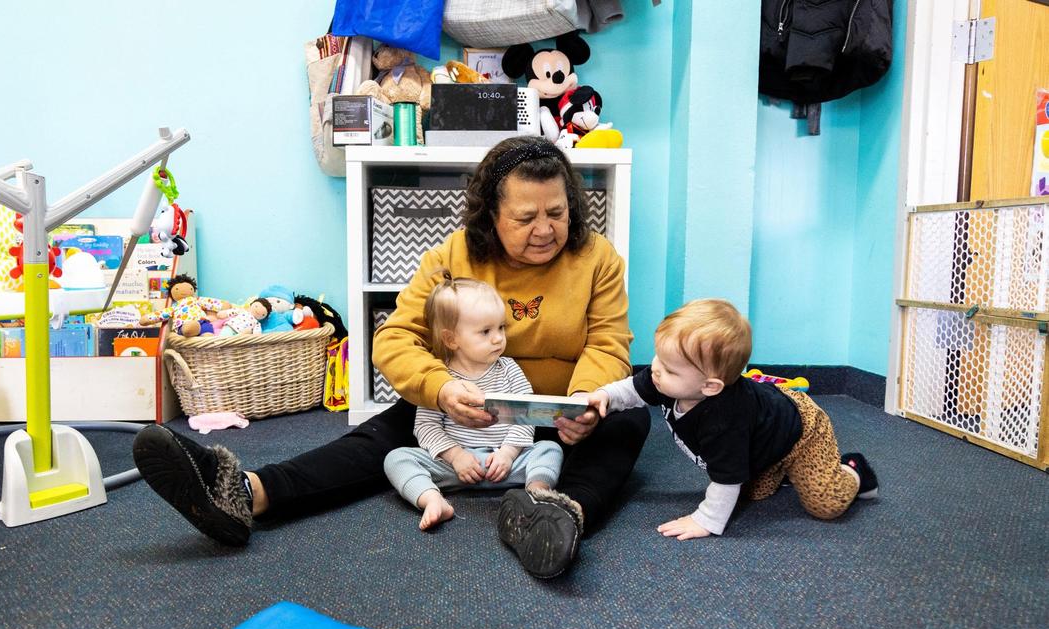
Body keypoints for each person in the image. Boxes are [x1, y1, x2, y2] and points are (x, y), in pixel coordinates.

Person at [132, 136, 651, 579]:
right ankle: (247, 493)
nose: (545, 229)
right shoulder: (454, 255)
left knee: (627, 421)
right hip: (465, 412)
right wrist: (441, 389)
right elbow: (397, 338)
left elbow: (607, 342)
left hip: (557, 416)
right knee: (382, 433)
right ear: (492, 217)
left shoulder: (596, 257)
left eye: (557, 213)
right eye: (525, 217)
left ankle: (558, 515)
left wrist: (582, 402)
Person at [585, 299, 879, 540]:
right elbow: (632, 390)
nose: (655, 370)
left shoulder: (723, 420)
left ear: (710, 386)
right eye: (657, 357)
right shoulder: (665, 378)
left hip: (802, 429)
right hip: (764, 431)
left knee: (826, 503)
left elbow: (726, 479)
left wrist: (706, 519)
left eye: (670, 369)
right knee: (754, 493)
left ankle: (853, 469)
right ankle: (783, 469)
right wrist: (605, 396)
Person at [382, 272, 563, 531]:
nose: (498, 338)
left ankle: (535, 494)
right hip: (455, 467)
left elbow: (526, 416)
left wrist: (508, 454)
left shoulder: (509, 369)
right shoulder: (442, 377)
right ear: (451, 339)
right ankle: (432, 500)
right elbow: (426, 427)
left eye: (501, 328)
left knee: (549, 449)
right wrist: (456, 457)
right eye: (486, 331)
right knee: (397, 458)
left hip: (505, 464)